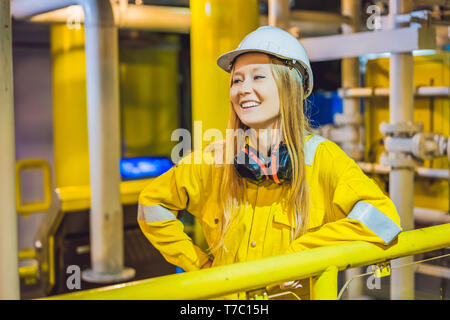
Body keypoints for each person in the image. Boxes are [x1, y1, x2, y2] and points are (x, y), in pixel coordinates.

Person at [137, 26, 402, 299]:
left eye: (258, 77)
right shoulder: (217, 158)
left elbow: (383, 220)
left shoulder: (322, 158)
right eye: (237, 80)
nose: (243, 89)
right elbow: (151, 205)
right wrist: (200, 265)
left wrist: (298, 258)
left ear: (290, 87)